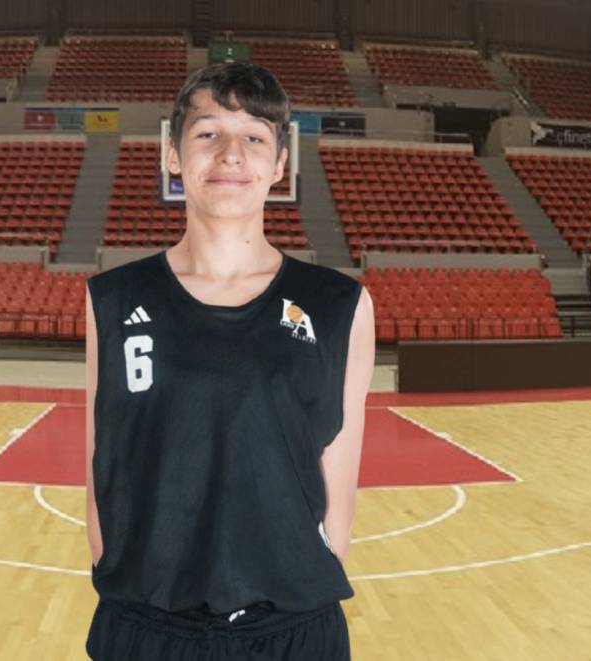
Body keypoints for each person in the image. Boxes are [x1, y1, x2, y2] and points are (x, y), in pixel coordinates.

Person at [83, 62, 375, 660]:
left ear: (281, 164)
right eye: (208, 132)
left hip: (290, 632)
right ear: (172, 154)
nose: (231, 154)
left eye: (255, 137)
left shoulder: (339, 304)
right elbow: (103, 458)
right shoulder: (113, 299)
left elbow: (337, 489)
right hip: (146, 628)